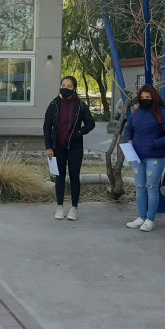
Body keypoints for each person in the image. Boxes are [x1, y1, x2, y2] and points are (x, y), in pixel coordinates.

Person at [124, 85, 165, 232]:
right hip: (136, 156)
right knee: (140, 187)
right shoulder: (137, 112)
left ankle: (150, 219)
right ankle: (141, 217)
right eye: (142, 97)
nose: (145, 100)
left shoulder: (162, 113)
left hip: (155, 157)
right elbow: (129, 129)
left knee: (152, 188)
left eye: (148, 97)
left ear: (154, 97)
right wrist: (128, 140)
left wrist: (155, 143)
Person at [43, 75, 95, 221]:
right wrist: (49, 147)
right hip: (57, 147)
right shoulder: (54, 104)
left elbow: (91, 123)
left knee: (74, 177)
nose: (65, 88)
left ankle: (74, 208)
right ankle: (59, 207)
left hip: (75, 148)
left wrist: (80, 132)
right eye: (63, 85)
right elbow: (47, 127)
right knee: (59, 177)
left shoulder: (80, 105)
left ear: (74, 88)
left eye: (69, 86)